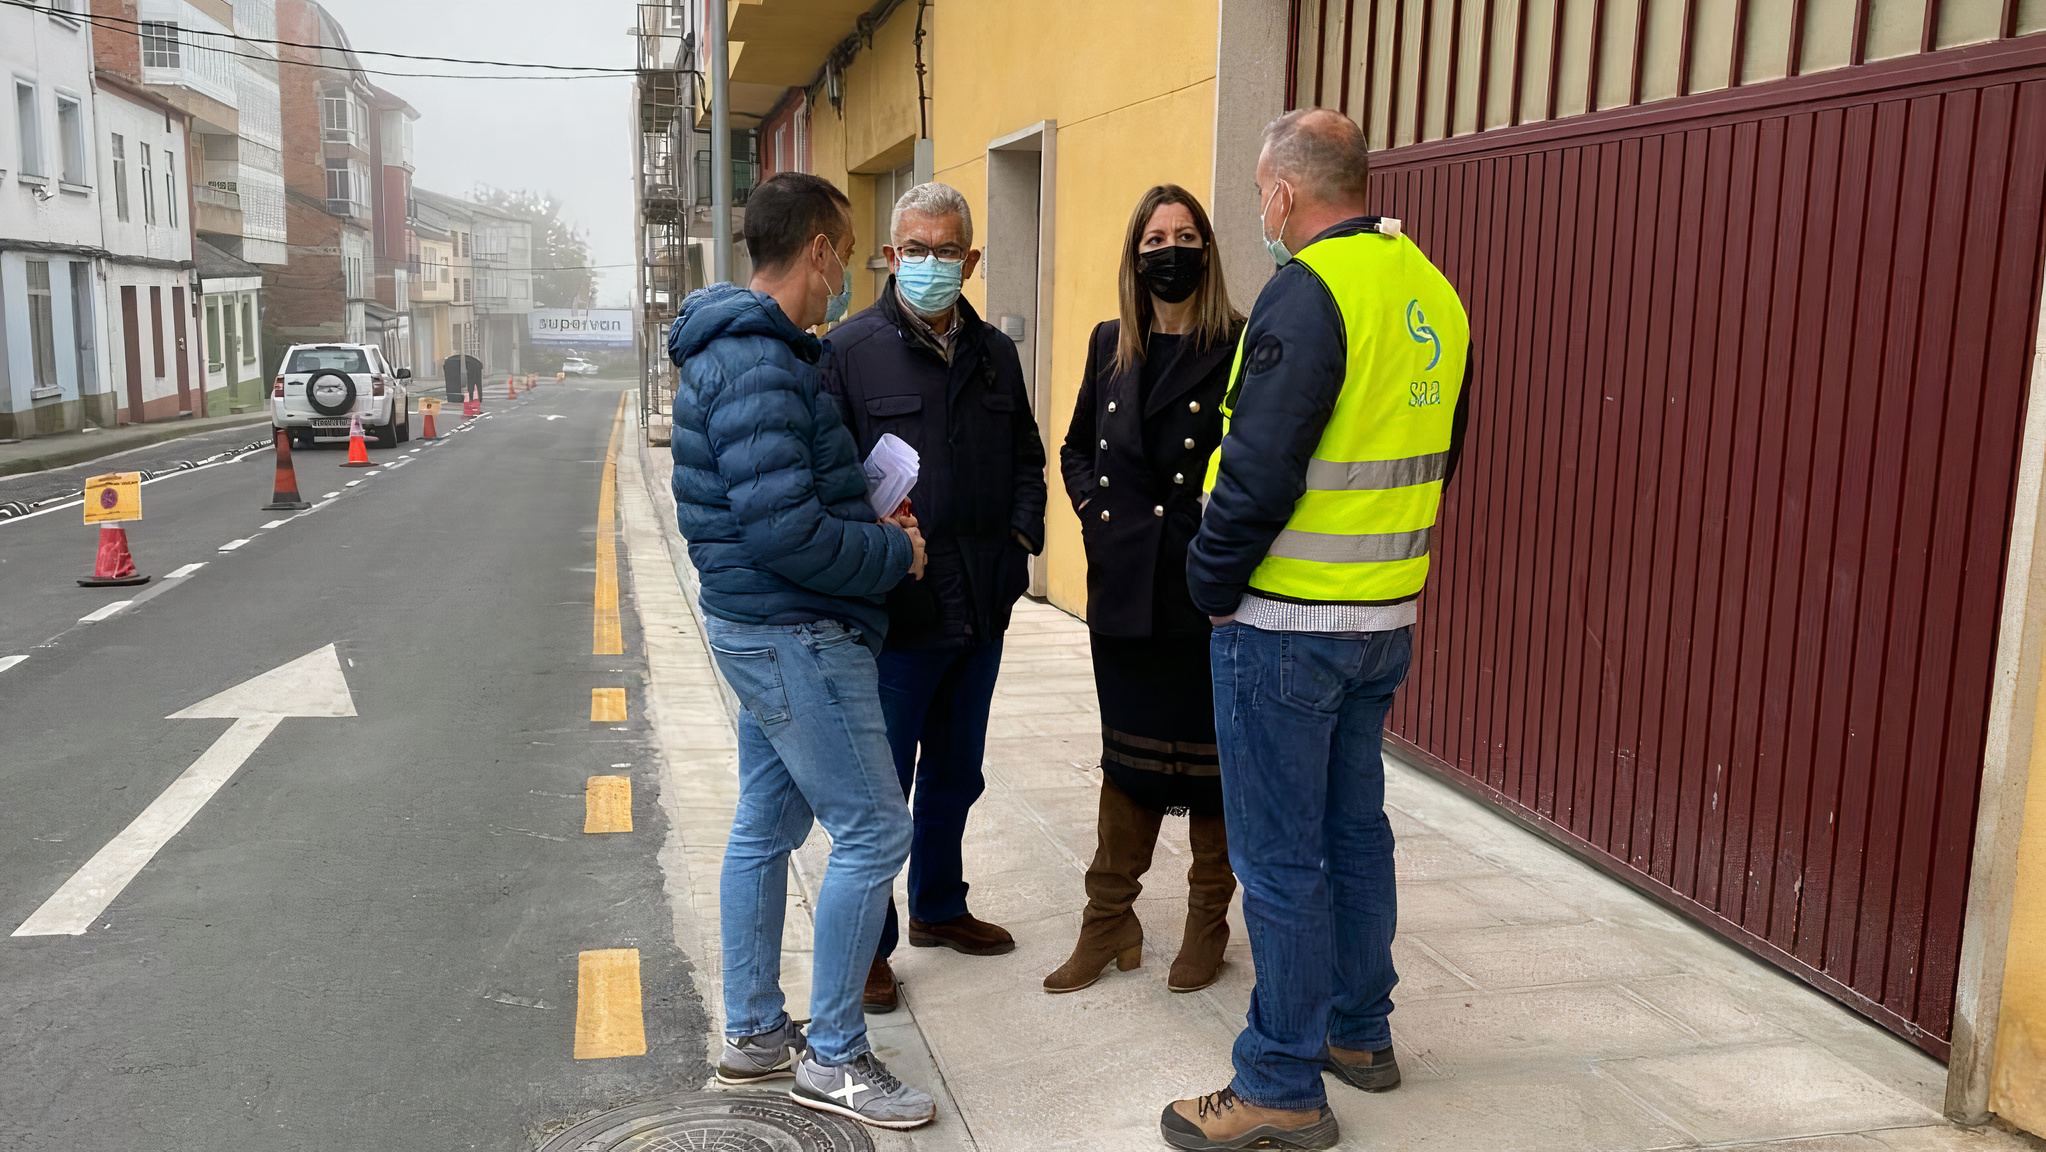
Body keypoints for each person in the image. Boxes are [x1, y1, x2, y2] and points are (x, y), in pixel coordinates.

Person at [1161, 110, 1473, 1151]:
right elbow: (1438, 460)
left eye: (1262, 194)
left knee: (1281, 858)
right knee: (1353, 834)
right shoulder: (1434, 292)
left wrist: (1208, 581)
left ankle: (1280, 1084)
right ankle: (1358, 1031)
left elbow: (1258, 467)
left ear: (1284, 192)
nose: (1261, 211)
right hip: (1382, 622)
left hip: (1285, 628)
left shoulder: (1309, 289)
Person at [667, 171, 937, 1131]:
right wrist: (892, 549)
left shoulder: (750, 352)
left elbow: (778, 507)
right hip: (797, 631)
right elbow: (784, 532)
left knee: (765, 826)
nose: (850, 275)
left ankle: (753, 1034)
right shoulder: (758, 362)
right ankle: (835, 1055)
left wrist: (860, 508)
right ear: (818, 248)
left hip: (769, 625)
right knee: (874, 832)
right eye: (850, 251)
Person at [820, 182, 1048, 1015]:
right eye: (912, 249)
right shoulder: (848, 351)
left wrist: (1024, 540)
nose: (927, 264)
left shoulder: (995, 353)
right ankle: (871, 946)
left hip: (981, 607)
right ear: (890, 254)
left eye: (944, 250)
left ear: (971, 259)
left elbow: (1028, 455)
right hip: (898, 617)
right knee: (885, 789)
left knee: (958, 773)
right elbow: (829, 480)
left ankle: (940, 908)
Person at [1045, 185, 1243, 998]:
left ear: (1206, 248)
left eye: (1186, 234)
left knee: (1211, 767)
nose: (1171, 248)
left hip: (1202, 589)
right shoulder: (1108, 344)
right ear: (1135, 255)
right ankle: (1109, 920)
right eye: (1156, 236)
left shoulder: (1238, 341)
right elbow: (1072, 446)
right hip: (1125, 588)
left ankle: (1207, 924)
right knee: (1125, 760)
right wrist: (1098, 515)